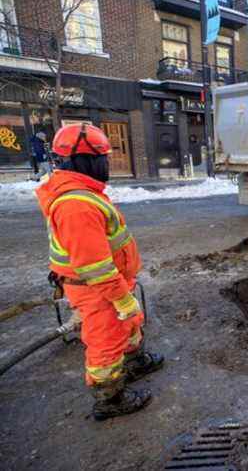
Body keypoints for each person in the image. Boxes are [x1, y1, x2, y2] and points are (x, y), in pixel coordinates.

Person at [35, 123, 164, 421]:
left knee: (130, 322)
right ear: (85, 160)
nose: (106, 162)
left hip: (110, 283)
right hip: (97, 289)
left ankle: (133, 362)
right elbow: (94, 265)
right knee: (105, 340)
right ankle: (110, 398)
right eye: (103, 156)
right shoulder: (76, 206)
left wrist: (123, 293)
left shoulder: (83, 193)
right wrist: (120, 297)